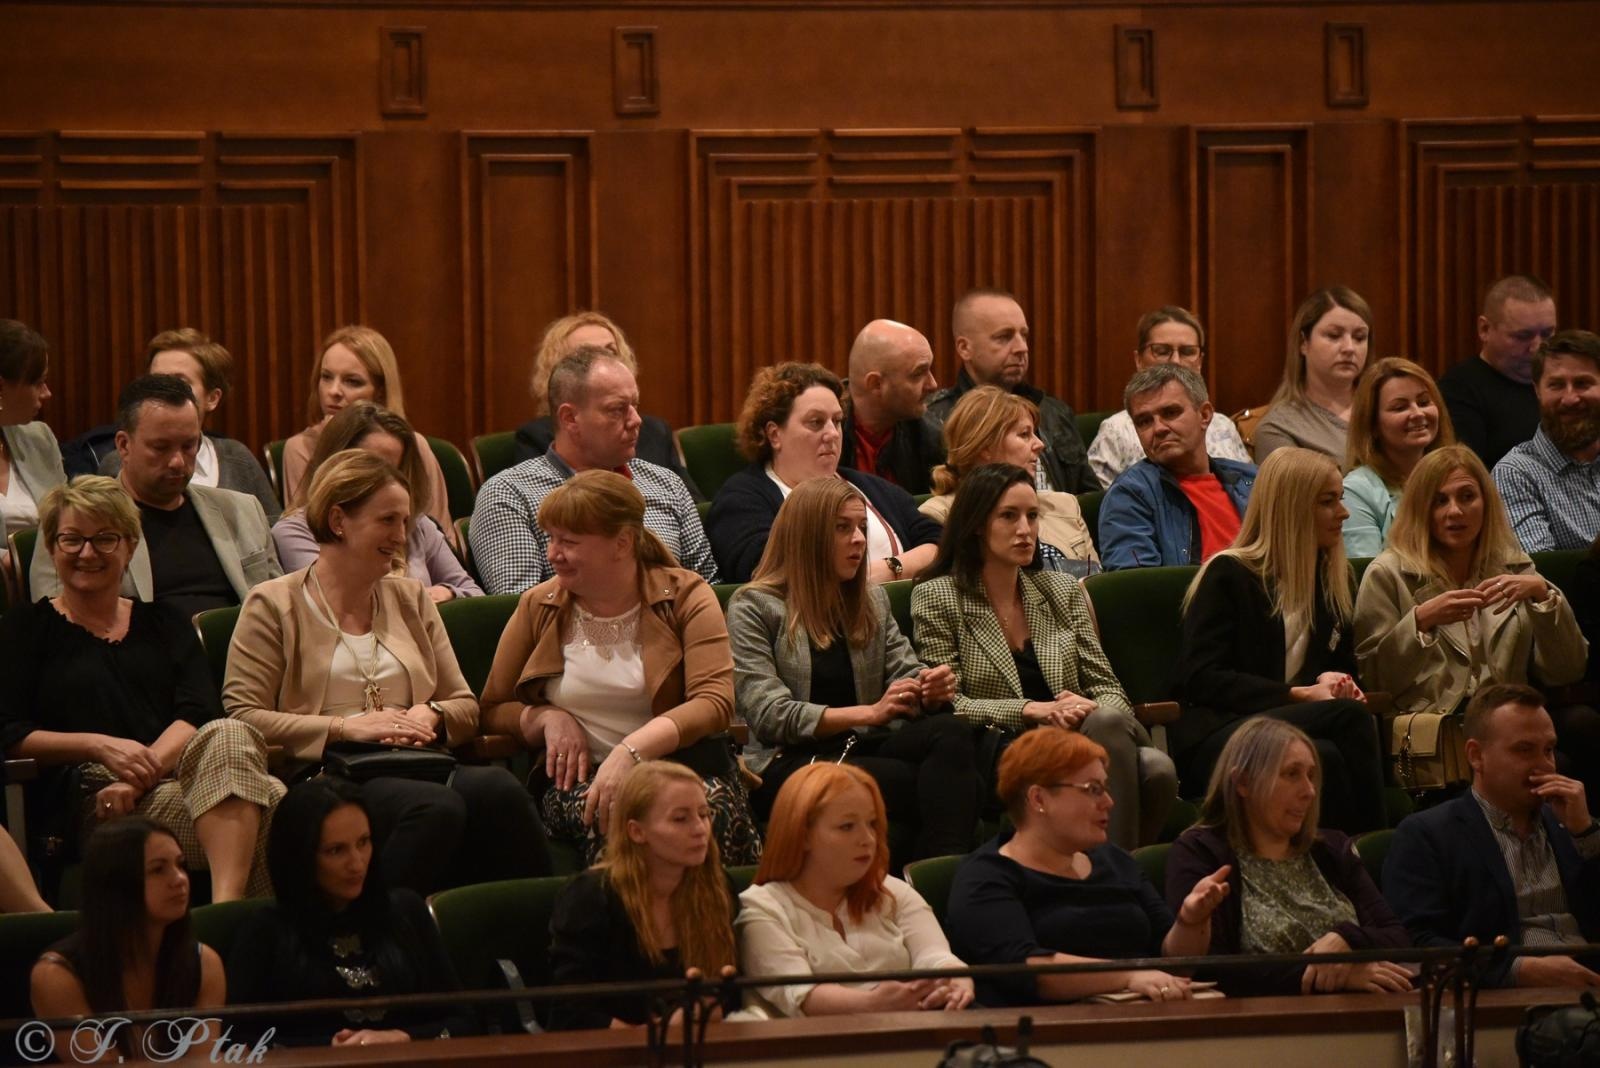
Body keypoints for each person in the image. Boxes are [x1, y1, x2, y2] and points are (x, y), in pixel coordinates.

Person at [223, 450, 549, 894]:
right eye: (387, 521)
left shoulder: (411, 598)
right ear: (339, 521)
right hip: (326, 774)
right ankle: (373, 937)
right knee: (435, 809)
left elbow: (465, 704)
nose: (401, 536)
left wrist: (430, 714)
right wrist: (347, 728)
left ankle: (534, 945)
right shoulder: (273, 604)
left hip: (417, 761)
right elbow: (243, 717)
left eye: (405, 522)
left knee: (500, 791)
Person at [1, 476, 280, 900]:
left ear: (131, 547)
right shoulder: (26, 628)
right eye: (71, 539)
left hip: (177, 778)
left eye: (105, 539)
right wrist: (99, 746)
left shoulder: (165, 622)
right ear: (52, 548)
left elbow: (198, 714)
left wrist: (139, 777)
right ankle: (234, 929)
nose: (87, 552)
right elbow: (9, 734)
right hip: (92, 798)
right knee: (273, 802)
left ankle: (225, 912)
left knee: (228, 733)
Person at [480, 470, 759, 866]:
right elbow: (491, 707)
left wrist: (632, 752)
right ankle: (628, 925)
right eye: (551, 539)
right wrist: (543, 718)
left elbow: (714, 702)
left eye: (569, 542)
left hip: (680, 769)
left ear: (622, 543)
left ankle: (713, 925)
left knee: (700, 813)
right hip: (578, 781)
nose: (553, 553)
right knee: (622, 813)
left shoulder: (685, 596)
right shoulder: (537, 605)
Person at [912, 463, 1174, 848]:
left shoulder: (1060, 590)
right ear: (977, 524)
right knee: (1157, 769)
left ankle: (1103, 872)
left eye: (1032, 517)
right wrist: (1030, 709)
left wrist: (1086, 706)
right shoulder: (937, 597)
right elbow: (951, 704)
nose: (1025, 530)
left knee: (1113, 725)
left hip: (1084, 736)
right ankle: (1115, 875)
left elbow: (1108, 689)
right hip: (1008, 750)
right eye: (1008, 516)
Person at [729, 478, 976, 865]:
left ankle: (940, 874)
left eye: (861, 527)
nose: (859, 539)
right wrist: (870, 713)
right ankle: (942, 877)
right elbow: (769, 714)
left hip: (859, 743)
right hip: (785, 760)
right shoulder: (755, 606)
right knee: (933, 783)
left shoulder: (870, 600)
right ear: (808, 536)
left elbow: (904, 671)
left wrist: (927, 688)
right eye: (842, 528)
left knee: (952, 732)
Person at [1175, 447, 1385, 835]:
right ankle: (1376, 849)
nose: (1344, 512)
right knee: (1351, 721)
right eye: (1328, 501)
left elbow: (1346, 670)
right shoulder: (1229, 574)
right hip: (1222, 735)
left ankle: (1339, 865)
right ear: (1292, 508)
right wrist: (1297, 695)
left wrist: (1332, 681)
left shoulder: (1329, 582)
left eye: (1340, 499)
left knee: (1327, 758)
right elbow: (1202, 678)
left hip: (1293, 734)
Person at [945, 728, 1229, 1007]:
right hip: (1051, 1037)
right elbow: (1026, 969)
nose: (1108, 802)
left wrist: (1190, 921)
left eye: (1104, 788)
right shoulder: (986, 875)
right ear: (1038, 799)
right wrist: (1128, 976)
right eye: (1093, 789)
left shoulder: (1114, 861)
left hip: (1143, 1018)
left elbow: (1176, 964)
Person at [1165, 718, 1412, 997]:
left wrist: (1347, 938)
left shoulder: (1330, 847)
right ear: (1243, 782)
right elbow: (1213, 970)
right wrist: (1332, 973)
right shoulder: (1200, 852)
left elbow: (1397, 937)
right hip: (1265, 1026)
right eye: (1292, 774)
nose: (1309, 791)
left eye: (1311, 775)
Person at [227, 778, 474, 1047]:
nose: (357, 863)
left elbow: (464, 1021)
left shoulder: (406, 912)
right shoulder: (267, 931)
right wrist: (330, 1048)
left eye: (363, 842)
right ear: (300, 857)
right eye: (336, 850)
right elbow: (236, 1041)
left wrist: (403, 1037)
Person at [1384, 684, 1600, 988]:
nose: (1544, 764)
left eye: (1549, 749)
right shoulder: (1426, 835)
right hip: (1506, 1002)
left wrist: (1587, 834)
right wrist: (1517, 971)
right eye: (1524, 750)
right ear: (1476, 756)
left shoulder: (1575, 827)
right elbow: (1417, 945)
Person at [1355, 445, 1587, 724]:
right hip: (1432, 727)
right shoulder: (1387, 573)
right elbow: (1375, 680)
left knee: (1581, 724)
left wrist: (1544, 597)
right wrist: (1420, 621)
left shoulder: (1515, 565)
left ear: (1486, 502)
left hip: (1508, 721)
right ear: (1419, 508)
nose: (1455, 511)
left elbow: (1567, 671)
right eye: (1439, 501)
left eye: (1467, 497)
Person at [736, 762, 974, 1018]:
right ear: (802, 834)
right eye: (847, 826)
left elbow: (935, 956)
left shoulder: (892, 891)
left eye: (872, 823)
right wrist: (873, 1004)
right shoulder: (762, 907)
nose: (868, 839)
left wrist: (955, 979)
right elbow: (802, 995)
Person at [472, 347, 717, 594]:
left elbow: (710, 589)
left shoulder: (666, 483)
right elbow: (518, 607)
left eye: (634, 405)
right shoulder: (509, 494)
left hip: (674, 628)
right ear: (570, 418)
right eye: (617, 409)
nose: (636, 420)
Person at [31, 374, 282, 614]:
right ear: (124, 445)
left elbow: (282, 611)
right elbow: (58, 625)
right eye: (160, 447)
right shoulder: (74, 523)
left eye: (188, 446)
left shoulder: (243, 510)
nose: (177, 462)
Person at [707, 362, 940, 584]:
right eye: (816, 422)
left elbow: (940, 543)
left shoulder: (870, 487)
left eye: (837, 421)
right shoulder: (741, 499)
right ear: (774, 434)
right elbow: (767, 570)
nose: (833, 434)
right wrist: (862, 578)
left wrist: (889, 568)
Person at [547, 761, 739, 1031]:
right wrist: (653, 1036)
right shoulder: (591, 897)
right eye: (680, 818)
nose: (700, 829)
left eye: (704, 814)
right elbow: (571, 1013)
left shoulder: (717, 888)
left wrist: (705, 1009)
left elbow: (731, 994)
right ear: (636, 831)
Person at [31, 818, 225, 1061]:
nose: (180, 879)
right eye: (158, 869)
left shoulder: (205, 963)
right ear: (114, 883)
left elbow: (201, 1062)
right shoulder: (56, 975)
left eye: (180, 865)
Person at [273, 402, 481, 602]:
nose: (384, 478)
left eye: (393, 468)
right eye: (370, 465)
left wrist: (449, 593)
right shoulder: (295, 530)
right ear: (336, 462)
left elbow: (475, 596)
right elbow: (337, 600)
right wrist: (417, 598)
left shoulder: (417, 525)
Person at [281, 324, 454, 543]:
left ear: (380, 391)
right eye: (326, 377)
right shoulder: (301, 447)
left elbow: (442, 536)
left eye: (352, 381)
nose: (333, 391)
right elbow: (307, 533)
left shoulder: (414, 444)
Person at [922, 289, 1097, 493]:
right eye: (1004, 337)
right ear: (964, 348)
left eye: (1024, 335)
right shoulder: (934, 420)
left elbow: (1089, 497)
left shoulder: (1053, 411)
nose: (1022, 348)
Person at [98, 328, 279, 521]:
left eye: (180, 382)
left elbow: (273, 529)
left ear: (212, 397)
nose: (166, 392)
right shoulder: (119, 462)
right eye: (156, 381)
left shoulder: (236, 457)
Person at [514, 311, 699, 495]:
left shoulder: (656, 432)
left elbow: (696, 507)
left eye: (611, 352)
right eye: (587, 355)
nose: (604, 361)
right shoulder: (535, 438)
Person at [920, 385, 1099, 575]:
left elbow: (1095, 586)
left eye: (1035, 434)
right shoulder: (941, 515)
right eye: (1024, 434)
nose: (1040, 445)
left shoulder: (1066, 505)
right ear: (985, 447)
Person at [1098, 365, 1256, 570]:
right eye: (1144, 421)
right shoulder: (1129, 496)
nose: (1159, 428)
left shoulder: (1254, 480)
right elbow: (1137, 591)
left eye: (1170, 413)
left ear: (1205, 415)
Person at [1087, 306, 1251, 488]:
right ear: (1139, 360)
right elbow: (1100, 505)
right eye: (1162, 351)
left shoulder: (1223, 425)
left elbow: (1250, 490)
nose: (1175, 361)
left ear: (1200, 362)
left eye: (1187, 352)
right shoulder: (1115, 431)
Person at [1493, 330, 1600, 551]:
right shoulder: (1516, 473)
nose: (1570, 398)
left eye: (1582, 383)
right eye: (1556, 385)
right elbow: (1540, 572)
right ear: (1537, 390)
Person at [1341, 358, 1455, 558]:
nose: (1418, 413)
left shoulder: (1460, 476)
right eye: (1400, 407)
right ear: (1372, 425)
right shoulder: (1356, 490)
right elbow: (1365, 577)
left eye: (1424, 402)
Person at [1440, 274, 1557, 469]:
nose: (1537, 347)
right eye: (1523, 336)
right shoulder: (1458, 390)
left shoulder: (1565, 387)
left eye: (1547, 334)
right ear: (1484, 329)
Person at [1253, 288, 1374, 462]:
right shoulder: (1279, 428)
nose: (1349, 348)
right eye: (1334, 335)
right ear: (1303, 342)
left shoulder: (1387, 410)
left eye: (1359, 337)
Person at [839, 319, 945, 495]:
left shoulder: (932, 441)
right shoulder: (823, 434)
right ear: (876, 384)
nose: (933, 384)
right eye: (918, 374)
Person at [0, 319, 64, 560]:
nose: (47, 393)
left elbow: (68, 523)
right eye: (38, 382)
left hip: (49, 586)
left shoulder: (40, 439)